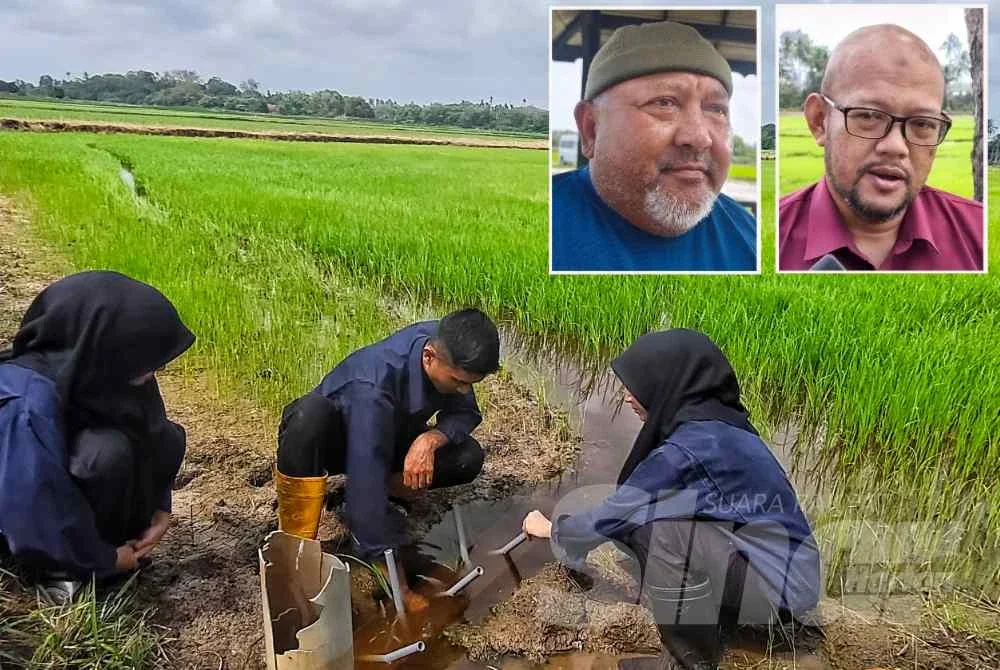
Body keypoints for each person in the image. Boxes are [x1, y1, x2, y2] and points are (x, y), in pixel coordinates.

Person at [521, 330, 820, 670]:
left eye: (637, 385)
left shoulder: (690, 448)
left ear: (666, 385)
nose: (628, 397)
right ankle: (708, 617)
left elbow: (616, 513)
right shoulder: (718, 426)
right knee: (647, 519)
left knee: (659, 531)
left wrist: (553, 529)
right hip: (781, 571)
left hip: (780, 588)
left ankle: (688, 662)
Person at [275, 308, 500, 612]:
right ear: (429, 357)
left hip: (391, 430)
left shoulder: (451, 343)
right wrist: (397, 581)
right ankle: (297, 545)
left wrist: (428, 440)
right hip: (331, 442)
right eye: (459, 382)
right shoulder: (374, 386)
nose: (465, 390)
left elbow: (464, 413)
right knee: (312, 418)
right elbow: (365, 462)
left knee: (467, 457)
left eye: (471, 383)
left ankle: (385, 491)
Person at [0, 271, 195, 602]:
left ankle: (115, 545)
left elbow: (151, 432)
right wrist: (103, 560)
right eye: (145, 360)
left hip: (67, 506)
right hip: (27, 524)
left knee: (165, 438)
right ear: (105, 344)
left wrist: (161, 510)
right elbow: (32, 505)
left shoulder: (102, 368)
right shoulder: (25, 405)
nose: (153, 372)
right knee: (105, 455)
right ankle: (58, 572)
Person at [551, 20, 757, 272]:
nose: (700, 138)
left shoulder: (749, 238)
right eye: (664, 103)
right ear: (590, 129)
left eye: (716, 109)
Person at [779, 24, 983, 272]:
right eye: (868, 117)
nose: (896, 147)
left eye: (922, 123)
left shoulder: (979, 235)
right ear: (819, 120)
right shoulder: (767, 240)